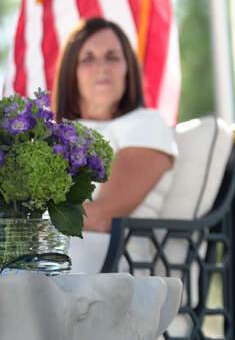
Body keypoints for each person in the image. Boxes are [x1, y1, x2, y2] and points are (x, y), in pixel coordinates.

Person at [52, 17, 178, 272]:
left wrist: (26, 225)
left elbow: (102, 218)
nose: (101, 67)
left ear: (127, 69)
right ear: (71, 72)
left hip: (112, 265)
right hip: (58, 258)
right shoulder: (51, 135)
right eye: (88, 58)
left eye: (112, 57)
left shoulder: (146, 123)